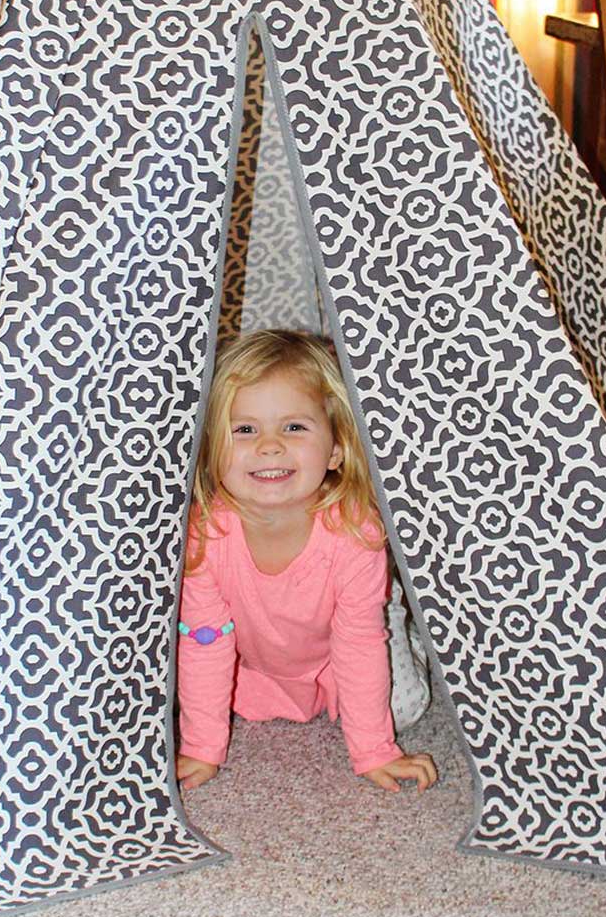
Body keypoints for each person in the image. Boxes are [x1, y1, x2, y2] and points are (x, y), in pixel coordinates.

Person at [175, 328, 438, 794]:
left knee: (403, 707)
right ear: (213, 449)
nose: (270, 446)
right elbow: (205, 643)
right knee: (197, 688)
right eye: (245, 429)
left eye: (294, 427)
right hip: (262, 652)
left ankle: (392, 609)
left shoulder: (354, 534)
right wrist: (201, 747)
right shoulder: (204, 535)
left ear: (336, 448)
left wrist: (374, 750)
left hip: (346, 633)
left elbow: (357, 645)